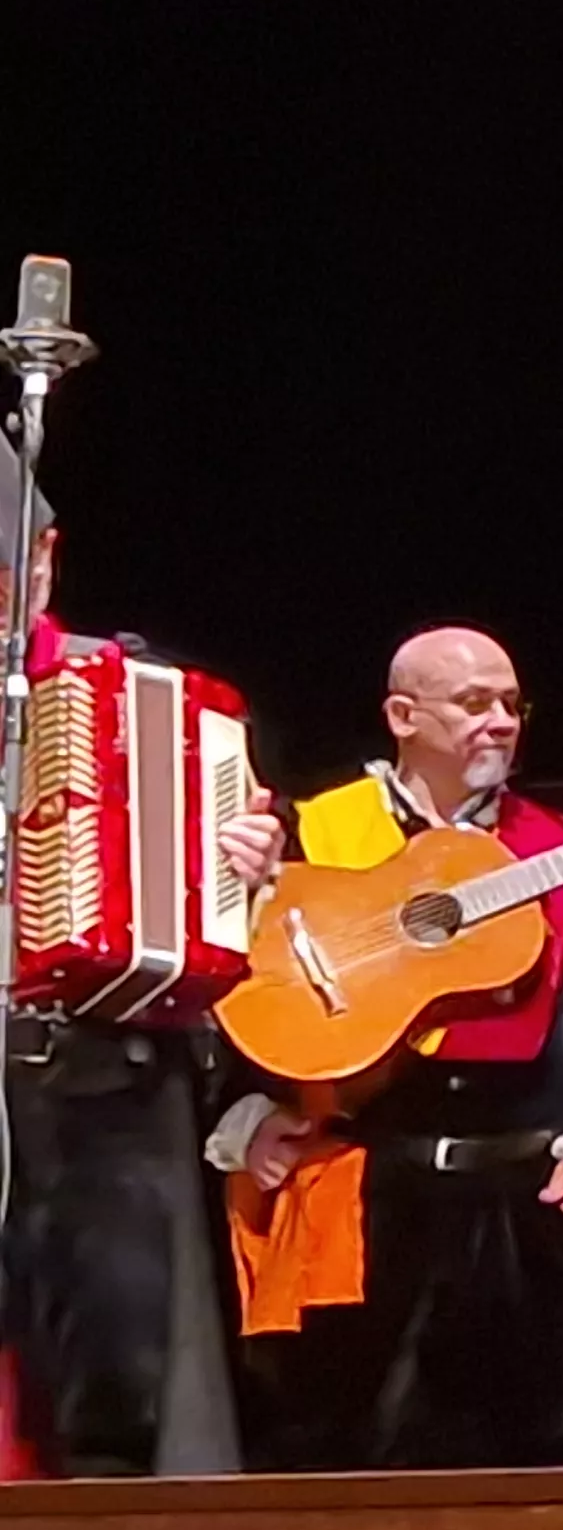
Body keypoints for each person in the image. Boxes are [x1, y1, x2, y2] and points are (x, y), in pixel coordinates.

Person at [215, 627, 563, 1469]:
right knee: (328, 1447)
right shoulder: (314, 827)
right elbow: (237, 982)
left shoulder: (560, 845)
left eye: (510, 704)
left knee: (519, 1458)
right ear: (403, 716)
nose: (501, 722)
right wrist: (248, 1107)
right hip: (359, 1187)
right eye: (473, 703)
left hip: (517, 1198)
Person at [0, 503, 278, 1476]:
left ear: (45, 557)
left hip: (96, 1066)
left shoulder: (122, 683)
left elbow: (214, 876)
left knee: (121, 1365)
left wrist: (246, 855)